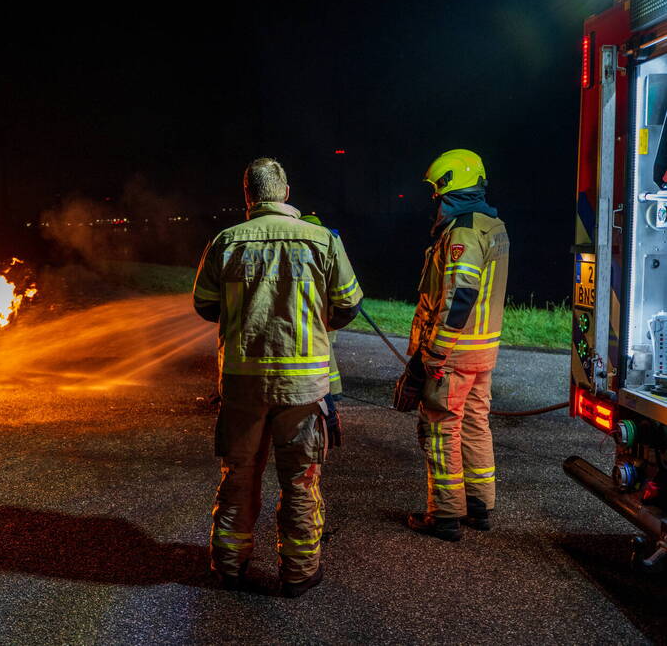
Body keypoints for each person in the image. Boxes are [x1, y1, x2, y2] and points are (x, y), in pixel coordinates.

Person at [192, 158, 363, 597]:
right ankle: (299, 572)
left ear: (249, 195)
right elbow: (348, 305)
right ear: (285, 192)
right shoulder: (322, 240)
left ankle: (229, 566)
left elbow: (206, 305)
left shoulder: (226, 242)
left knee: (238, 476)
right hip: (302, 387)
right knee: (301, 480)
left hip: (243, 385)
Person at [397, 149, 509, 541]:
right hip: (483, 350)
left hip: (455, 352)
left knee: (441, 427)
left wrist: (431, 355)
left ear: (449, 185)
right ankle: (478, 505)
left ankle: (444, 515)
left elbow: (460, 296)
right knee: (476, 423)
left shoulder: (462, 232)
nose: (433, 200)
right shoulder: (493, 225)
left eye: (436, 191)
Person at [300, 213, 344, 398]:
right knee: (324, 349)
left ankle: (332, 391)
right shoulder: (327, 242)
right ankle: (330, 389)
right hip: (328, 309)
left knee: (323, 350)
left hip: (322, 310)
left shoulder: (309, 246)